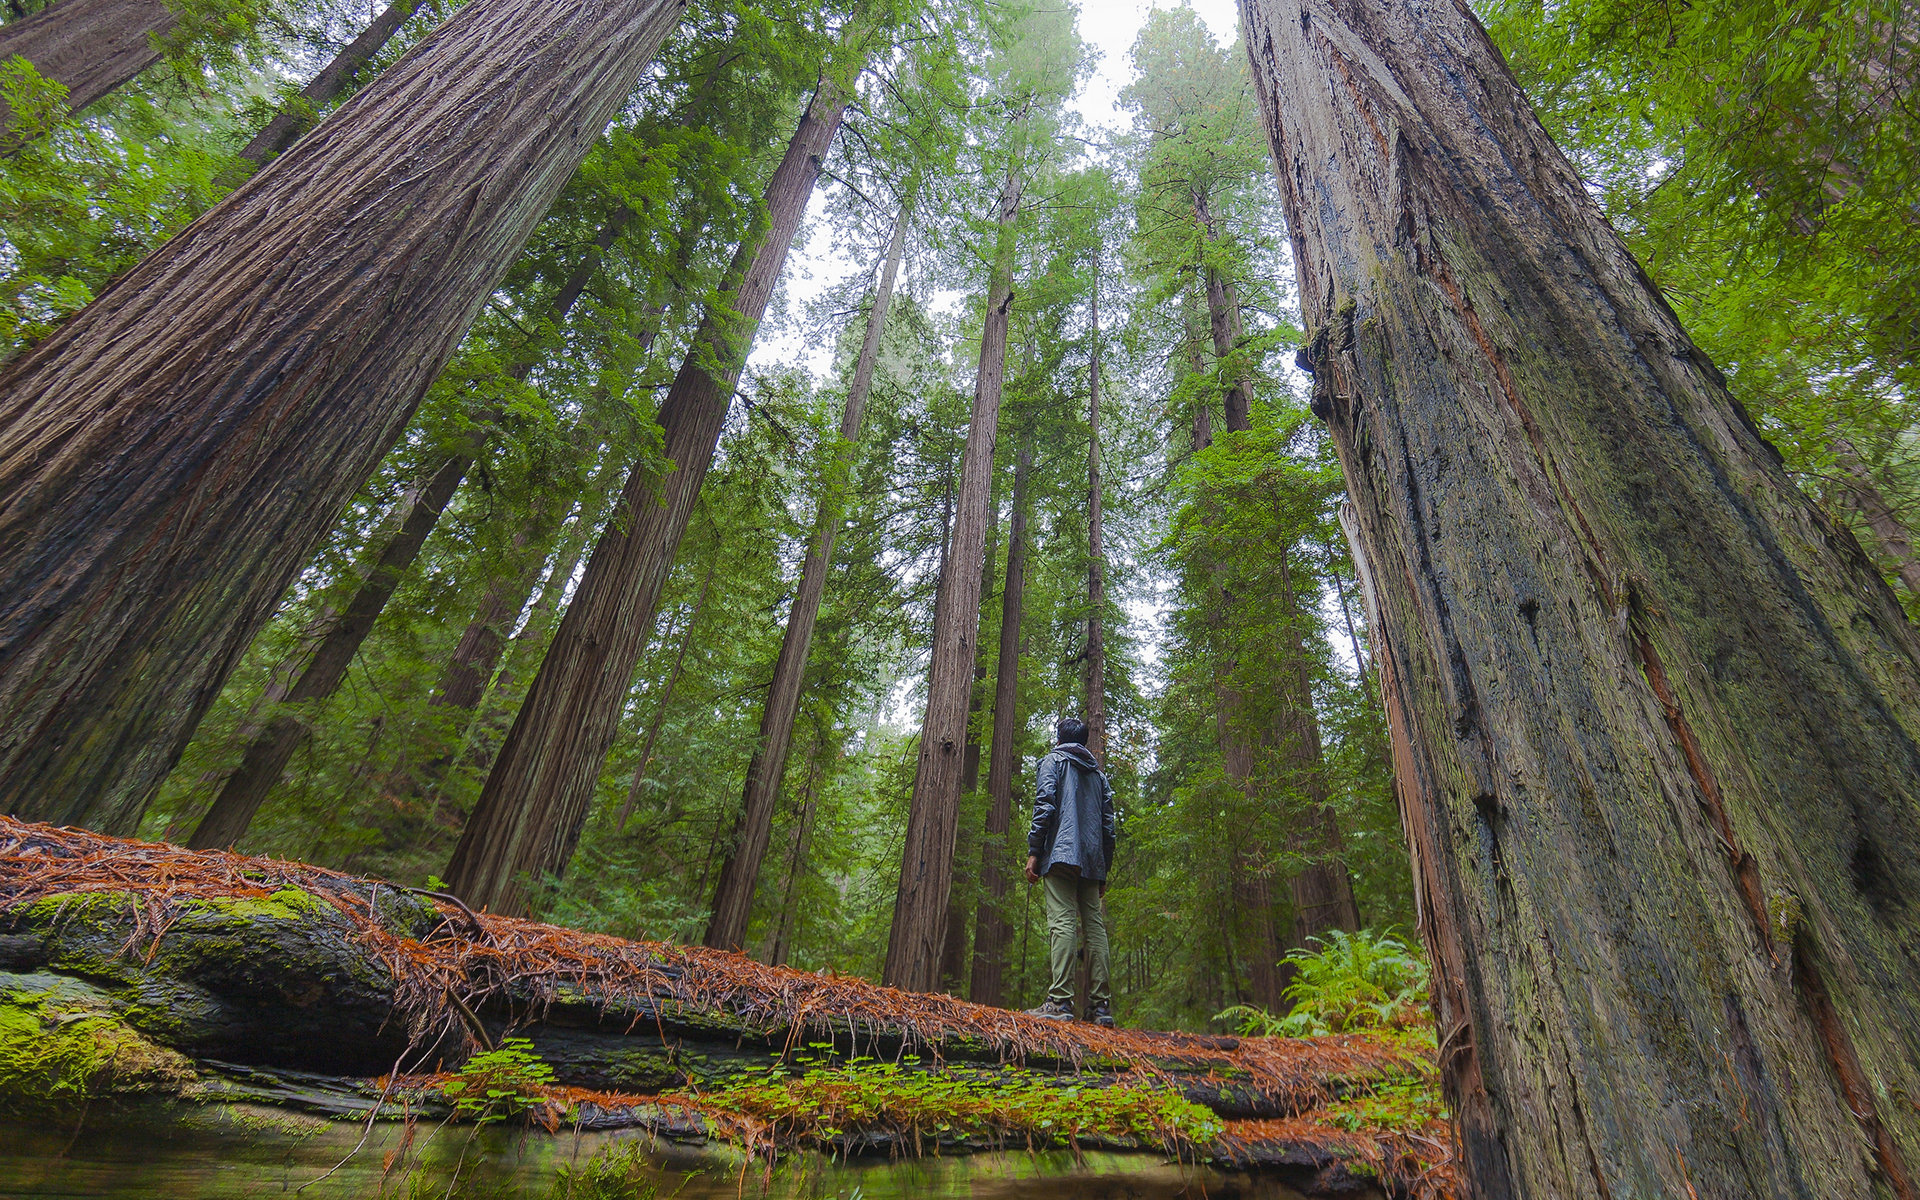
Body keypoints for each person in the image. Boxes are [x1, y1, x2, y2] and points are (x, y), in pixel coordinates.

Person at [1023, 716, 1117, 1025]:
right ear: (1084, 742)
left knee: (1062, 922)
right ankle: (1101, 1008)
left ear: (1059, 739)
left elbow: (1045, 804)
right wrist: (1103, 868)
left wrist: (1035, 851)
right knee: (1094, 927)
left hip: (1061, 856)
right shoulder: (1098, 776)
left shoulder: (1053, 761)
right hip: (1092, 860)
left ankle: (1060, 1002)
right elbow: (1108, 827)